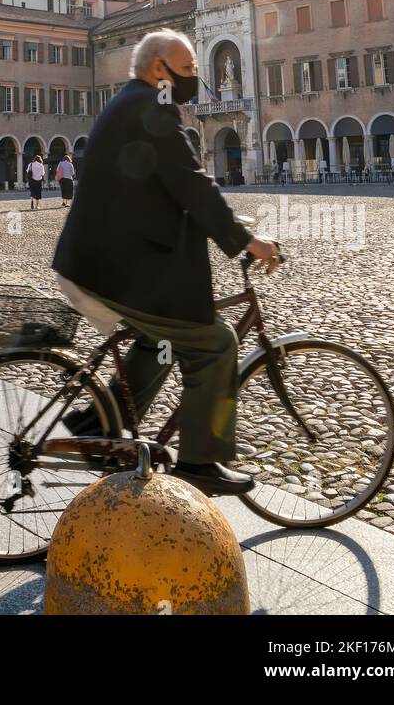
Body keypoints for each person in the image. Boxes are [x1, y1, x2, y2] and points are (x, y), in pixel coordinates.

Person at [52, 29, 281, 497]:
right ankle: (200, 460)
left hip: (99, 262)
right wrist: (246, 240)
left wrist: (229, 224)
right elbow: (191, 183)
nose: (196, 77)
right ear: (160, 69)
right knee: (214, 343)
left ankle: (100, 423)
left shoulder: (135, 103)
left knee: (162, 339)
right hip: (114, 270)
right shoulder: (151, 109)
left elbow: (172, 187)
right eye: (190, 68)